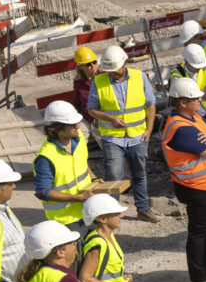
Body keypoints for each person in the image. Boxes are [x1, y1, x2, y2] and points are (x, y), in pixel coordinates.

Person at [160, 76, 206, 282]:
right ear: (183, 103)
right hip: (198, 189)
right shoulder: (181, 128)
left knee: (205, 229)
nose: (201, 100)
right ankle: (199, 279)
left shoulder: (195, 118)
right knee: (199, 233)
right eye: (196, 98)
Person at [88, 45, 159, 223]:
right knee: (113, 176)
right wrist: (109, 118)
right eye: (109, 70)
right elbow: (92, 110)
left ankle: (143, 209)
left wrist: (149, 130)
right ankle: (112, 213)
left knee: (139, 173)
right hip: (112, 137)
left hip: (138, 136)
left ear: (125, 63)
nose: (112, 73)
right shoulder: (99, 82)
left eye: (116, 69)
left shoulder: (139, 77)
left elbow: (150, 105)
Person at [32, 100, 94, 226]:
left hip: (88, 210)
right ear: (57, 128)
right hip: (66, 220)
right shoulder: (46, 157)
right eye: (72, 124)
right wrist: (77, 198)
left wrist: (94, 178)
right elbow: (43, 192)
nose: (78, 126)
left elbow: (81, 161)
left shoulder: (78, 137)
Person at [174, 43, 206, 118]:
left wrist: (199, 97)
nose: (198, 69)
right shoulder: (177, 75)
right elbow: (184, 101)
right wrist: (204, 92)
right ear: (186, 61)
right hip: (190, 118)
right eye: (195, 66)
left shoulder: (205, 68)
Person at [71, 46, 98, 126]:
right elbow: (75, 103)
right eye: (88, 64)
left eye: (94, 62)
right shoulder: (78, 83)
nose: (93, 66)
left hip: (103, 119)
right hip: (87, 120)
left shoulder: (105, 76)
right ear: (81, 67)